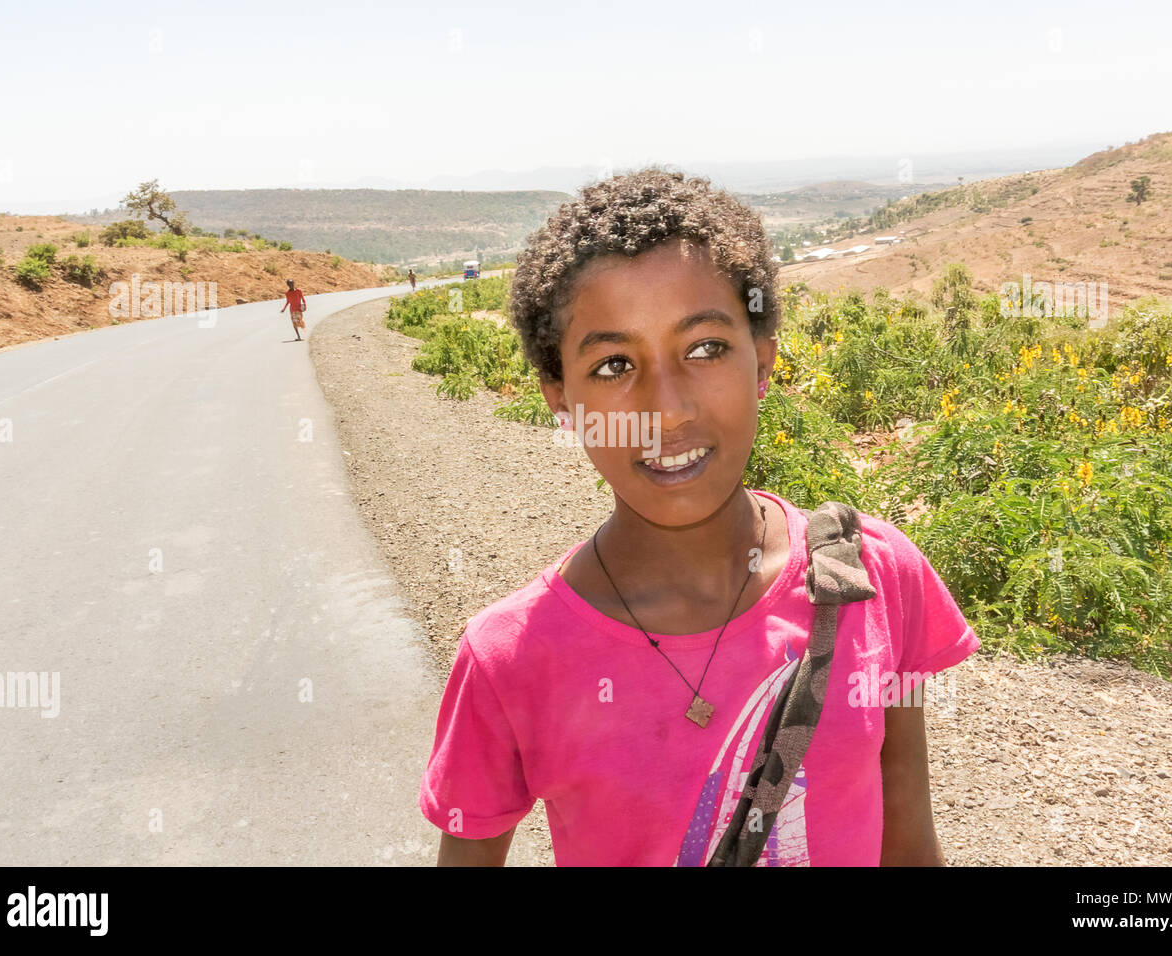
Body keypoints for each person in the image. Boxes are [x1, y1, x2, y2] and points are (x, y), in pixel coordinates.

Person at [418, 167, 980, 866]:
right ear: (561, 401)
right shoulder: (509, 659)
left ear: (763, 362)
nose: (668, 409)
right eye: (615, 364)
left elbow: (907, 826)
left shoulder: (876, 576)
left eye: (706, 348)